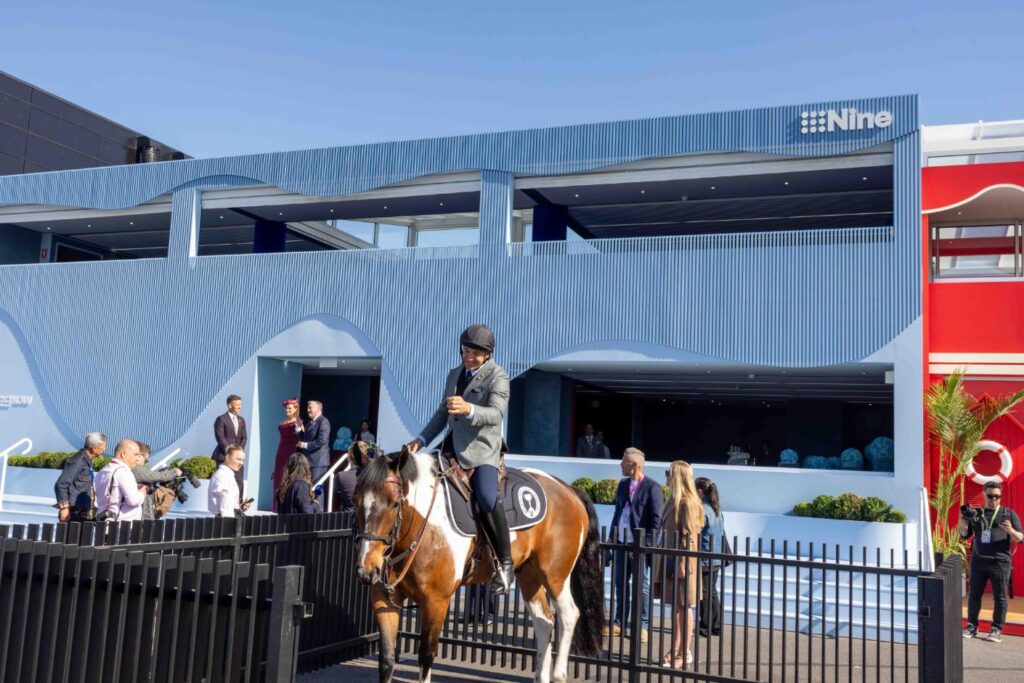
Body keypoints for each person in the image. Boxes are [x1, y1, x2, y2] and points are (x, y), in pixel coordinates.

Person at [406, 323, 513, 595]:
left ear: (487, 355)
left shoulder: (498, 377)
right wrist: (420, 439)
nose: (469, 357)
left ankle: (505, 562)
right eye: (466, 350)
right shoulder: (455, 373)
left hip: (482, 450)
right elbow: (443, 414)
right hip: (451, 446)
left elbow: (495, 415)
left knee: (487, 497)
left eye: (476, 353)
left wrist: (468, 409)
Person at [607, 447, 664, 643]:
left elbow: (657, 520)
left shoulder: (652, 487)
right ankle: (619, 622)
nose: (620, 465)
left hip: (638, 546)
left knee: (642, 587)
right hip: (622, 542)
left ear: (634, 465)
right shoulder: (623, 485)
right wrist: (612, 536)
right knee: (620, 583)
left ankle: (643, 625)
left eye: (623, 462)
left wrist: (644, 545)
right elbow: (617, 512)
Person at [654, 461, 705, 670]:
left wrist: (682, 564)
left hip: (682, 563)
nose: (665, 476)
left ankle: (683, 652)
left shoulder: (687, 503)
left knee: (683, 609)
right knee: (677, 609)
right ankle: (677, 650)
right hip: (672, 562)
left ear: (676, 476)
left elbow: (689, 537)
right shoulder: (673, 502)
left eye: (668, 473)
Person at [961, 480, 1023, 642]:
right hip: (979, 561)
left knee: (1000, 597)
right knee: (974, 595)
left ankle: (996, 629)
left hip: (1000, 562)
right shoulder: (977, 513)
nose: (994, 499)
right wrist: (963, 524)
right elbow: (964, 535)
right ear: (984, 495)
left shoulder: (1008, 514)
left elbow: (1021, 538)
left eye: (997, 496)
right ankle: (972, 626)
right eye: (990, 496)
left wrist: (1010, 530)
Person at [695, 476, 726, 637]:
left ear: (700, 491)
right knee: (712, 591)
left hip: (705, 556)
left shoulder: (702, 509)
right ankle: (716, 624)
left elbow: (697, 531)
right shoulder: (716, 509)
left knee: (705, 593)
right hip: (716, 555)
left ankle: (706, 625)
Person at [55, 432, 106, 522]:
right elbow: (61, 484)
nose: (105, 449)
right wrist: (64, 508)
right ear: (95, 448)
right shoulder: (78, 461)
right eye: (104, 447)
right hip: (74, 512)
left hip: (84, 510)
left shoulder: (87, 461)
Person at [94, 439, 147, 522]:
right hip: (123, 525)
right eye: (135, 455)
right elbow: (133, 501)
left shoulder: (103, 471)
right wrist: (142, 493)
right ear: (123, 454)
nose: (137, 459)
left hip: (103, 520)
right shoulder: (124, 472)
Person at [132, 441, 183, 521]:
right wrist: (174, 472)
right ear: (139, 455)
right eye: (145, 460)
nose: (144, 463)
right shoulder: (136, 468)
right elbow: (155, 476)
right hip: (140, 517)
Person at [272, 398, 304, 510]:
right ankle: (276, 506)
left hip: (291, 450)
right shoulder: (282, 422)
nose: (287, 410)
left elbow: (301, 436)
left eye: (289, 408)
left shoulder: (299, 422)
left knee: (288, 477)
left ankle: (286, 505)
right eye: (286, 408)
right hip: (281, 451)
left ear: (296, 409)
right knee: (279, 476)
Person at [213, 394, 247, 495]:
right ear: (230, 405)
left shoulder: (242, 420)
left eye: (241, 404)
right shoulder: (221, 419)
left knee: (239, 482)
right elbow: (220, 438)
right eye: (237, 404)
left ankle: (239, 507)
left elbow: (244, 437)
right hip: (224, 456)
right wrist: (230, 451)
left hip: (237, 458)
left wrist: (239, 452)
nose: (240, 407)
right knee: (224, 482)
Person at [209, 445, 251, 518]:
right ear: (227, 457)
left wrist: (240, 508)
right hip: (227, 522)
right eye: (238, 459)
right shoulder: (223, 476)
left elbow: (226, 504)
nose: (241, 463)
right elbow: (225, 509)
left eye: (243, 460)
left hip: (228, 518)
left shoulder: (227, 475)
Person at [298, 400, 331, 493]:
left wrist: (306, 445)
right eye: (307, 408)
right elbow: (304, 438)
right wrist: (298, 428)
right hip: (308, 460)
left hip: (318, 462)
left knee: (316, 489)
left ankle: (318, 508)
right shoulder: (310, 423)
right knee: (307, 488)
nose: (308, 410)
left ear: (318, 408)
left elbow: (322, 441)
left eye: (310, 408)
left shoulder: (323, 421)